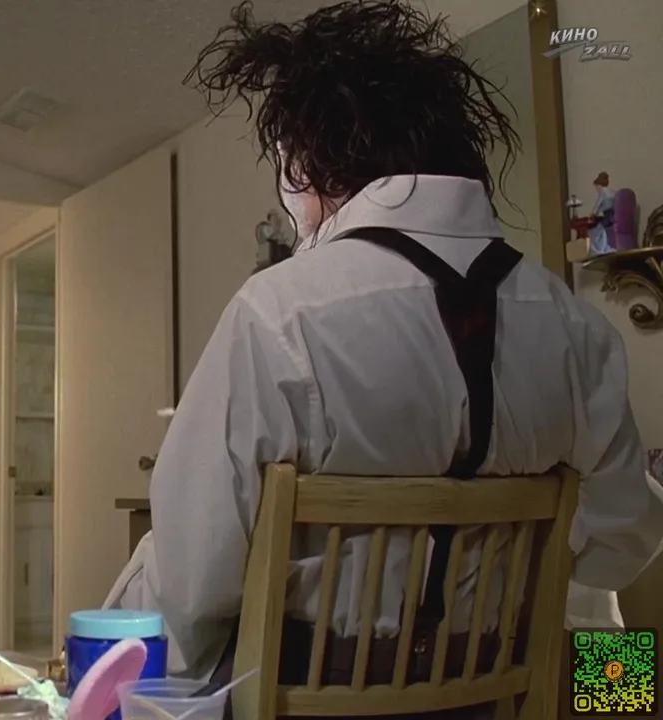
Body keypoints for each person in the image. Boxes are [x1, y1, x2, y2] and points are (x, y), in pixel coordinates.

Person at [105, 0, 663, 696]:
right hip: (505, 693)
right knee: (608, 645)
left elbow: (191, 587)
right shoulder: (575, 326)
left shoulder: (277, 312)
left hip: (307, 694)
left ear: (307, 164)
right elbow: (626, 535)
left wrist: (107, 678)